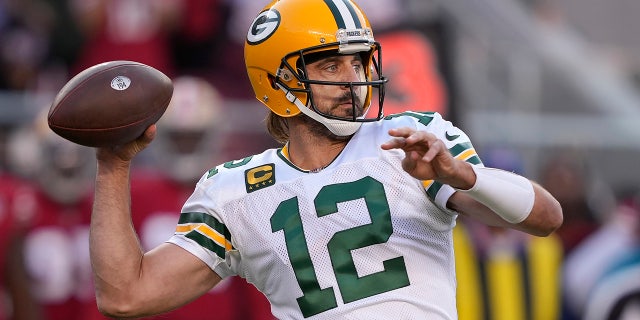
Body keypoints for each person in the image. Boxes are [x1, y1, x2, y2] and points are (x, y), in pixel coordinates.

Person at [88, 0, 563, 319]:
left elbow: (545, 218)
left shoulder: (412, 142)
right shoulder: (232, 190)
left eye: (358, 63)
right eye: (330, 65)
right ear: (276, 83)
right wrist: (113, 166)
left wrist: (466, 176)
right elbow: (125, 296)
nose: (352, 80)